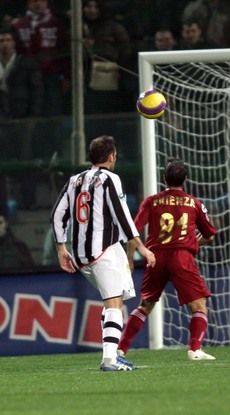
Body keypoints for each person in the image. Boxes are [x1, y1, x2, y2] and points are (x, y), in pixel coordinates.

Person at [51, 135, 156, 371]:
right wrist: (140, 246)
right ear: (111, 156)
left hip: (81, 254)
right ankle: (109, 359)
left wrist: (61, 249)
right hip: (102, 251)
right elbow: (121, 213)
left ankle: (112, 352)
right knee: (114, 303)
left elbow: (58, 215)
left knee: (115, 298)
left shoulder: (74, 180)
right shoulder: (109, 179)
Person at [118, 158, 217, 361]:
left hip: (156, 258)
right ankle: (195, 349)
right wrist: (193, 243)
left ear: (164, 178)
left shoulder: (151, 201)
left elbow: (133, 231)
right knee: (199, 306)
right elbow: (209, 235)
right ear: (186, 179)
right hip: (182, 257)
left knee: (145, 306)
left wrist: (129, 259)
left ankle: (121, 349)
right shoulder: (194, 203)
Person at [12, 0, 69, 116]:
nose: (38, 4)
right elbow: (17, 52)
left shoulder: (57, 23)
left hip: (51, 76)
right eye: (34, 1)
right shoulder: (19, 25)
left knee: (52, 111)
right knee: (28, 112)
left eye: (42, 1)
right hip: (26, 78)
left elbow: (64, 50)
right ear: (28, 3)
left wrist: (66, 76)